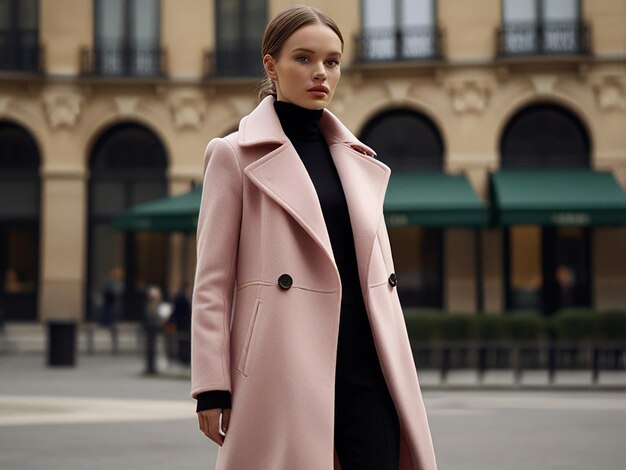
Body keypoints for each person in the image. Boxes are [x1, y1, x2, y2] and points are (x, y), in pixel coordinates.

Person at [191, 5, 437, 470]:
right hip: (284, 362)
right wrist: (211, 385)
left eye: (332, 61)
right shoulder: (232, 156)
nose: (320, 73)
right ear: (271, 65)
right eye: (303, 58)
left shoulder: (358, 158)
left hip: (371, 361)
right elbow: (212, 282)